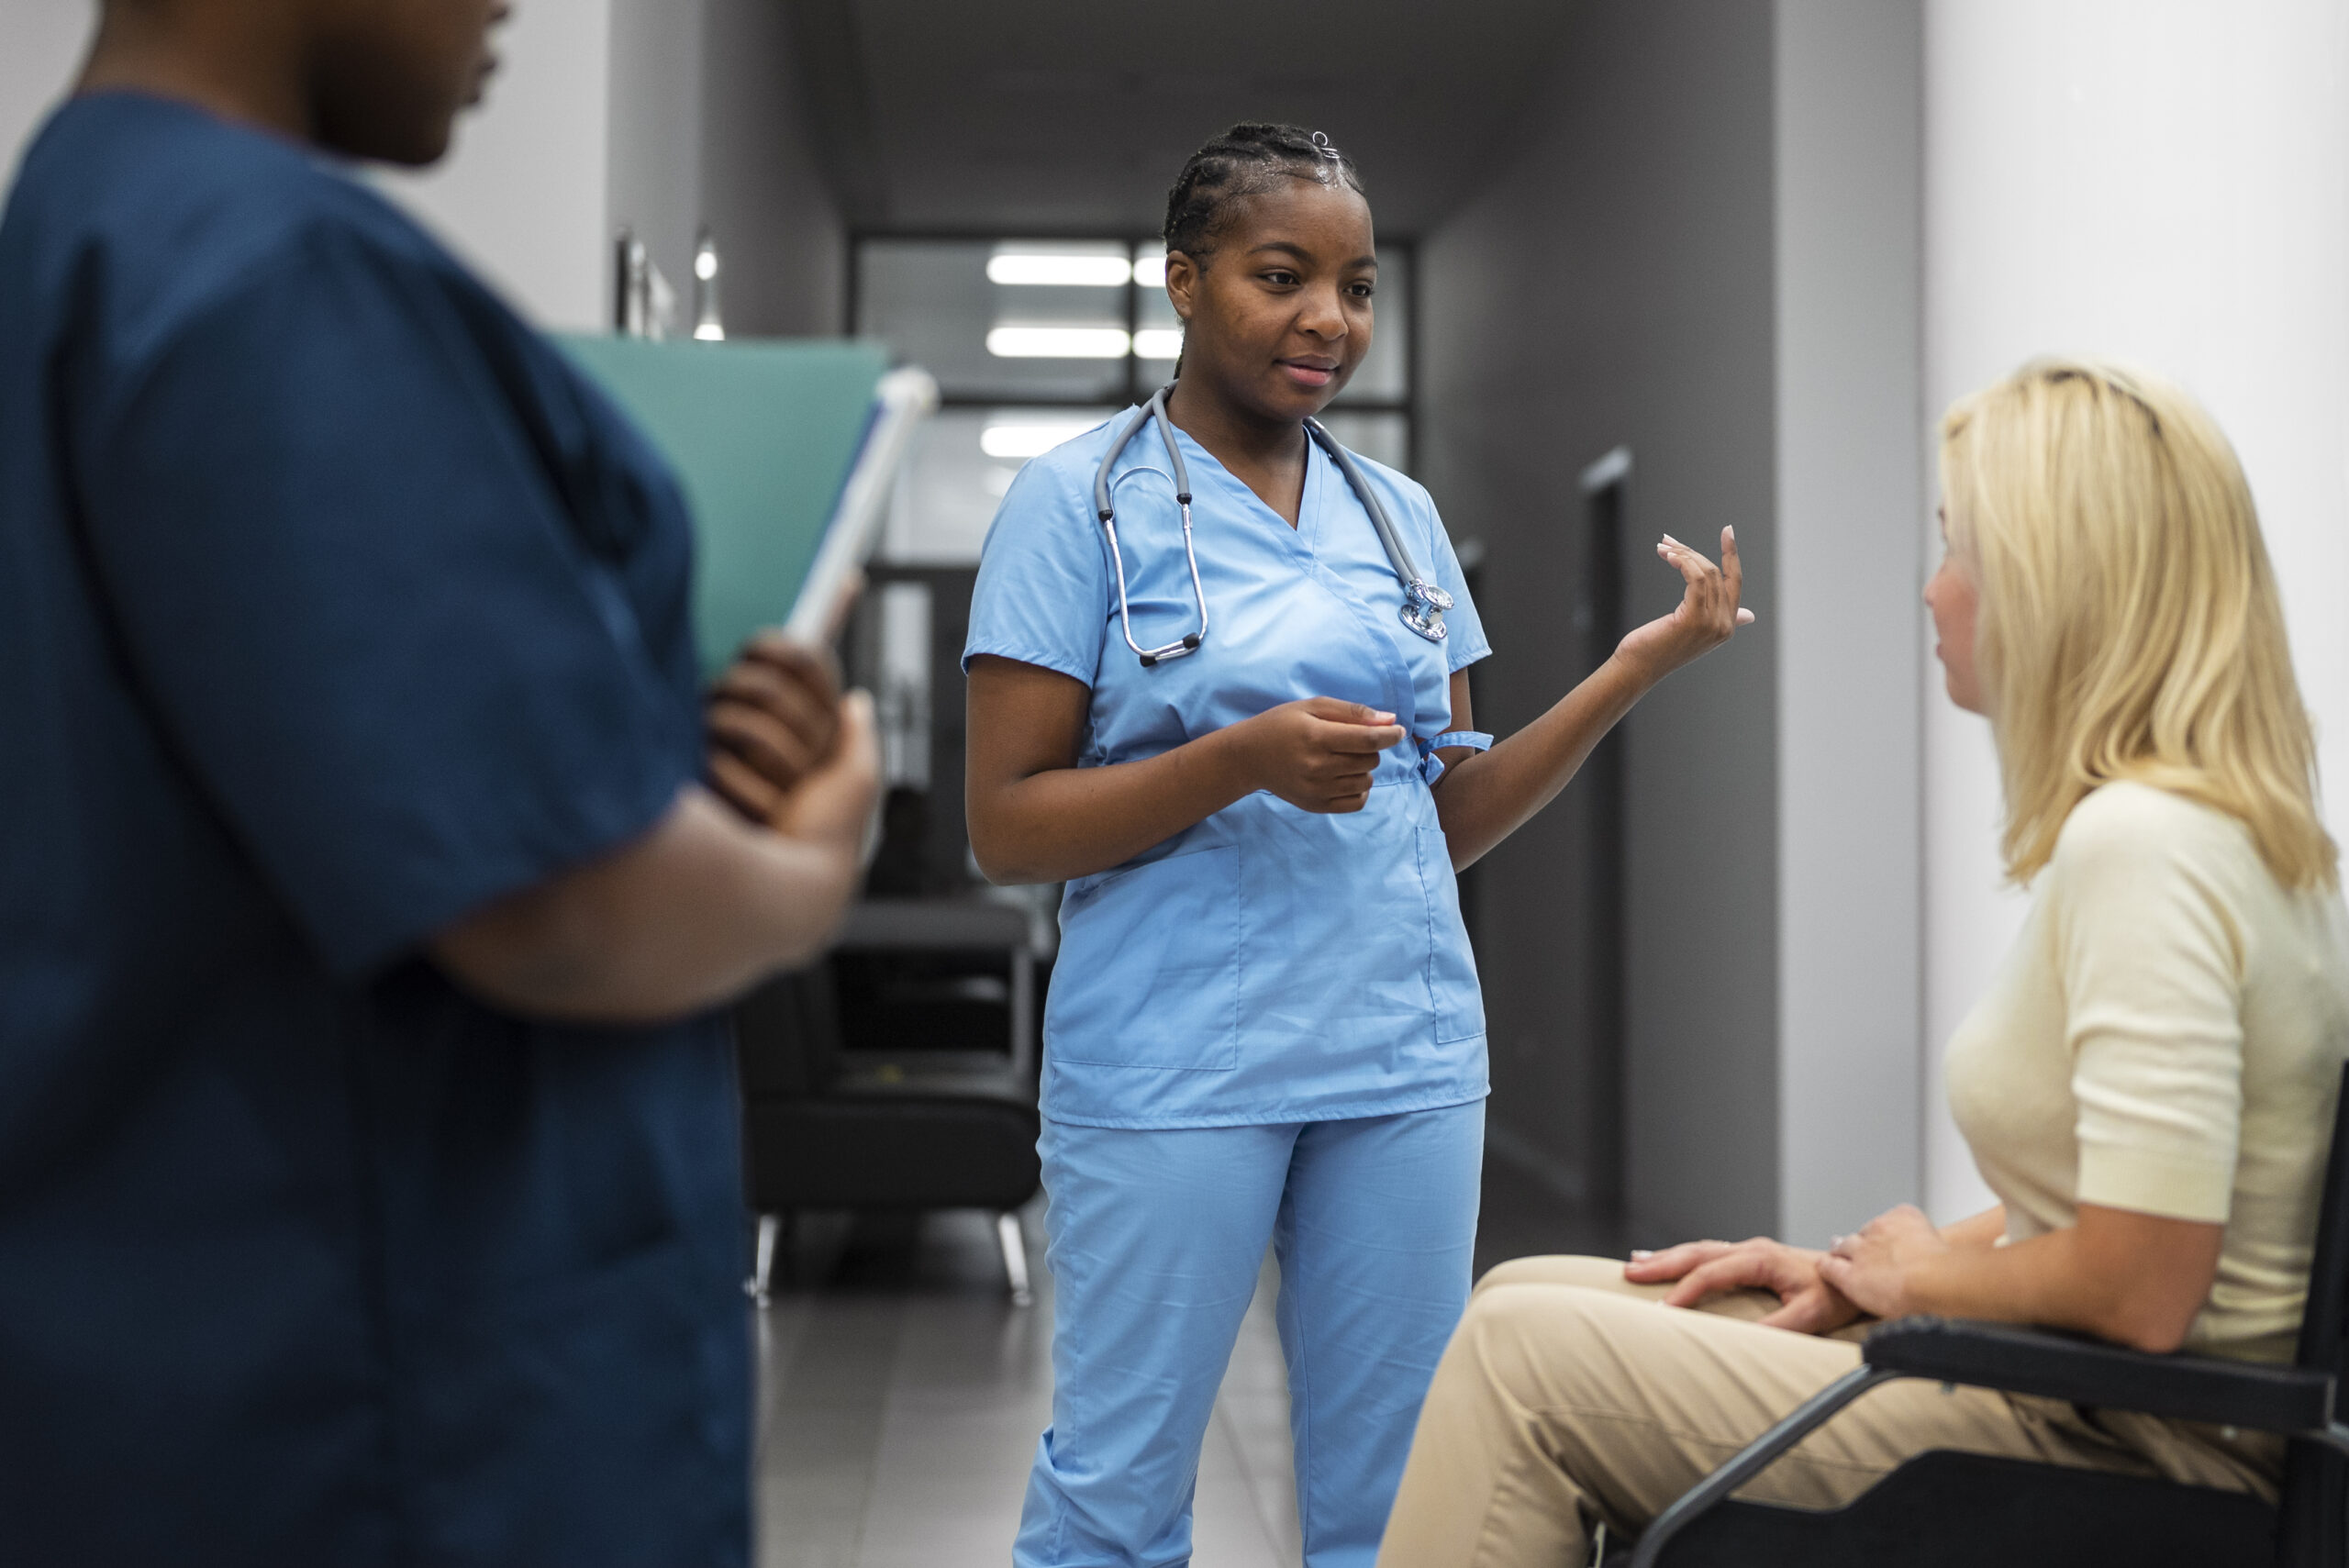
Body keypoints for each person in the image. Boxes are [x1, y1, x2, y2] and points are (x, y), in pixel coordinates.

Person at [0, 2, 879, 1563]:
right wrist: (810, 863)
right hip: (394, 1420)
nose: (507, 8)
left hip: (177, 1365)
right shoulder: (273, 275)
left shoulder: (78, 232)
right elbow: (557, 901)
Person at [1375, 357, 2349, 1567]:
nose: (1934, 591)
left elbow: (2145, 1280)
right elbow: (2120, 1191)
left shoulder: (2144, 845)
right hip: (2076, 1390)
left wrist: (1930, 1278)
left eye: (1962, 553)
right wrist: (1855, 1268)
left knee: (1521, 1363)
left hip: (2123, 1440)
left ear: (2054, 588)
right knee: (1520, 1294)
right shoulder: (2230, 831)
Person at [963, 122, 1753, 1568]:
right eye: (1284, 276)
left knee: (1402, 1499)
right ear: (1185, 283)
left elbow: (1444, 815)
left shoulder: (1403, 521)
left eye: (1360, 286)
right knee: (1116, 1491)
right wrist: (1236, 760)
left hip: (1401, 1059)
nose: (1331, 318)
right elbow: (1006, 823)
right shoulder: (1073, 505)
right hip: (1170, 1064)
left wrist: (1629, 670)